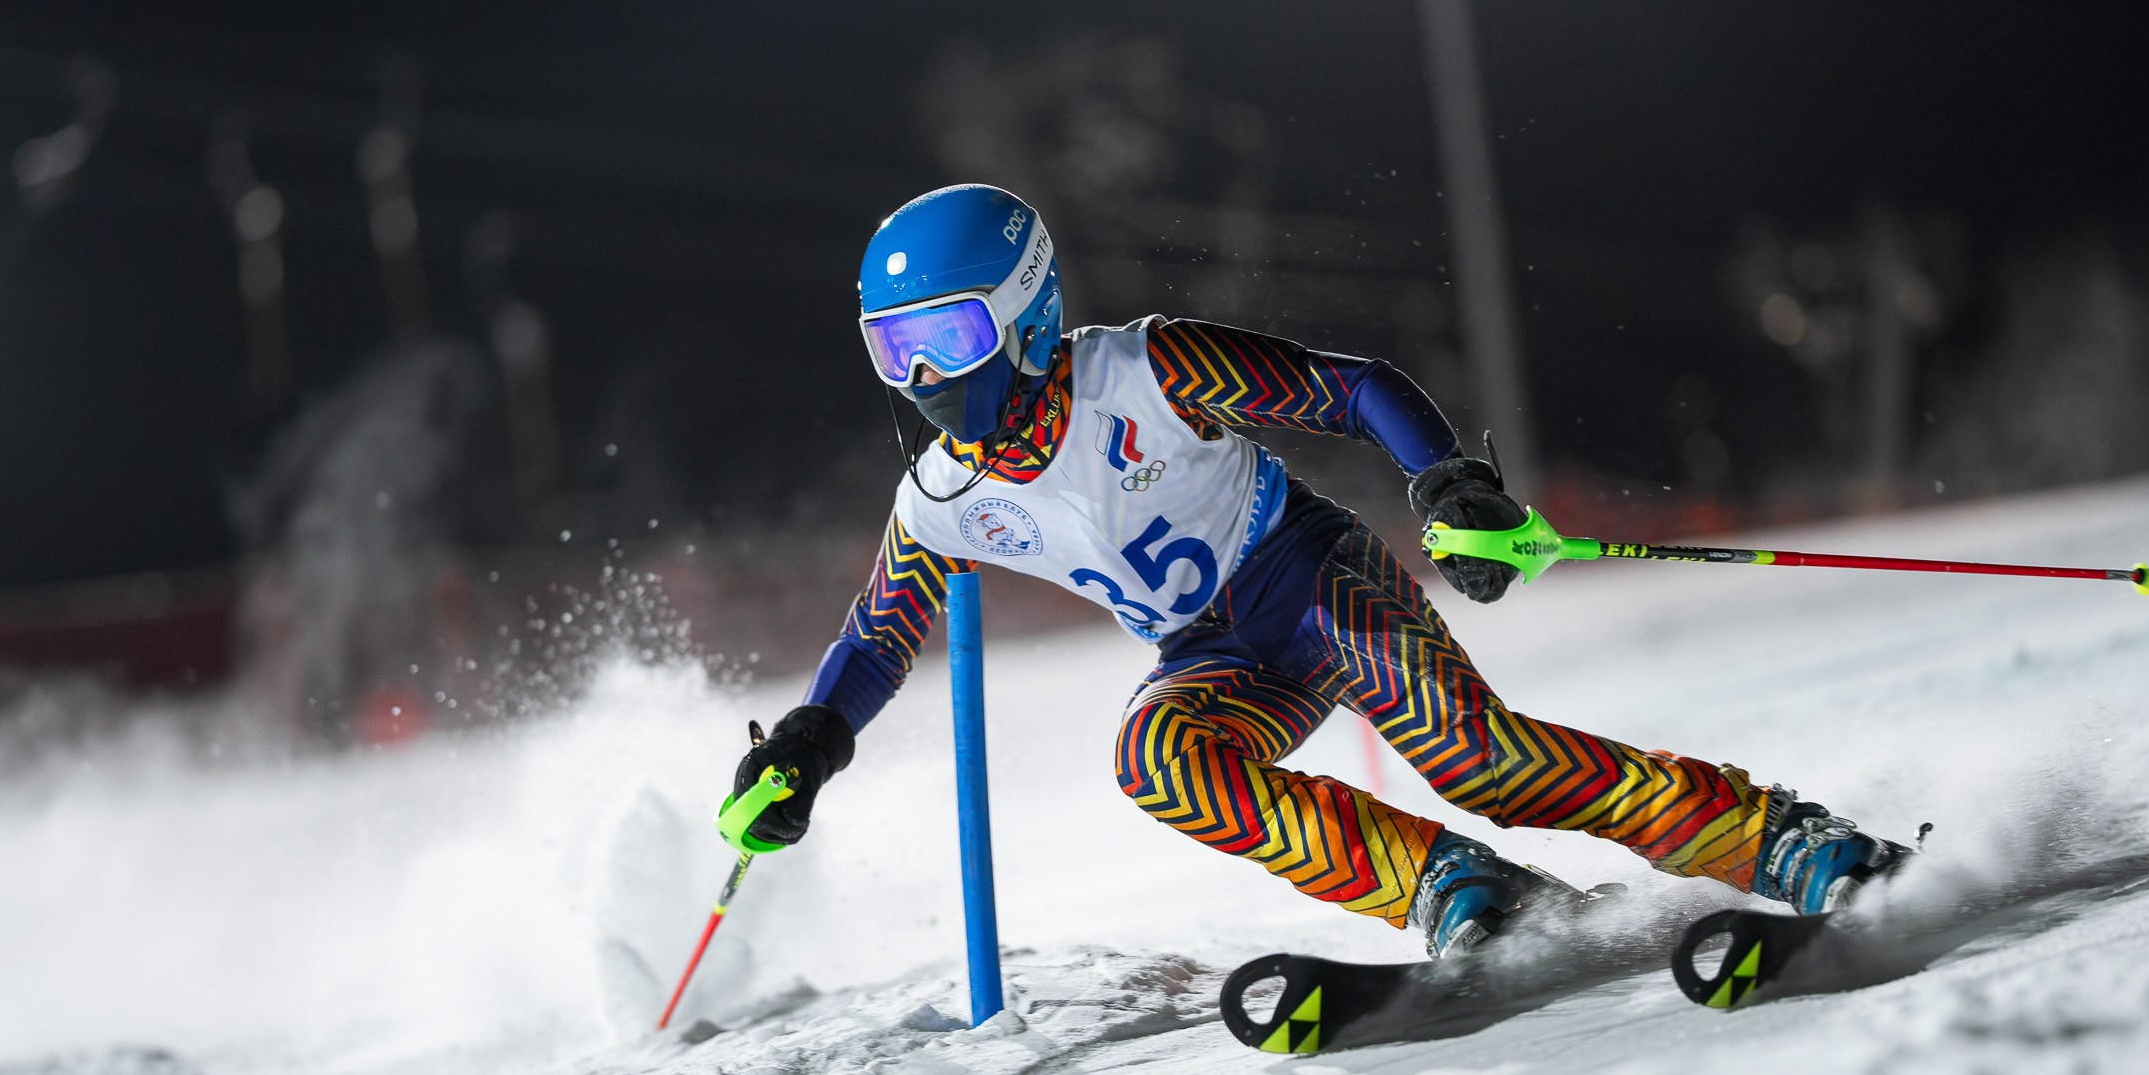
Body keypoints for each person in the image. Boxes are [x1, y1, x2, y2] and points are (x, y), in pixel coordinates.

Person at [732, 184, 1907, 957]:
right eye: (895, 349)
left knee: (1478, 760)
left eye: (948, 339)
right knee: (1158, 757)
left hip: (1309, 573)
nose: (925, 377)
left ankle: (1781, 840)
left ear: (1026, 313)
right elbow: (879, 634)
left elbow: (1353, 386)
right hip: (1217, 654)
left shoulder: (1150, 368)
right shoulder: (941, 500)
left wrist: (1443, 483)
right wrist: (809, 743)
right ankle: (1456, 891)